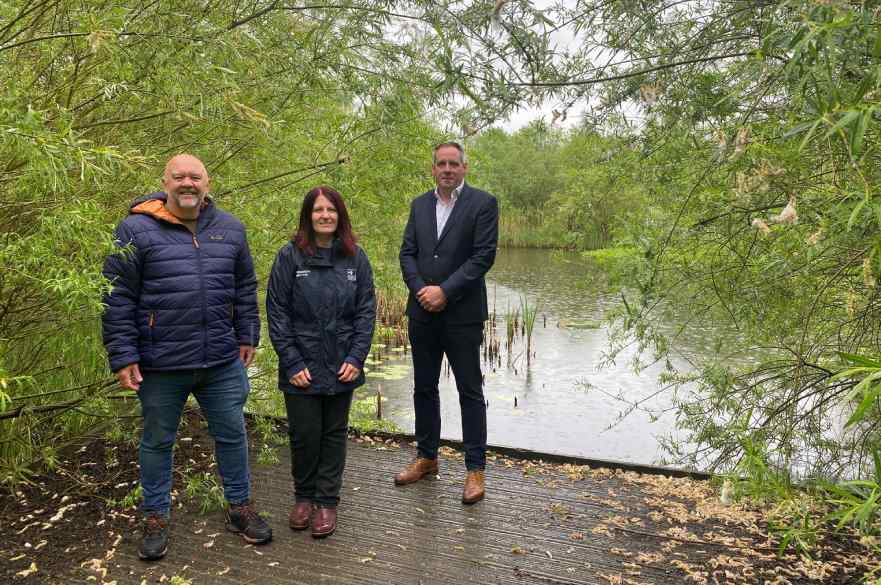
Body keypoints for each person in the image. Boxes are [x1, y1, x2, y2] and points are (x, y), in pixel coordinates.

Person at [102, 154, 272, 561]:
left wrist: (248, 334)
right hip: (160, 362)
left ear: (207, 183)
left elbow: (244, 286)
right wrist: (123, 354)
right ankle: (156, 516)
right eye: (179, 177)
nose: (187, 183)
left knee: (232, 434)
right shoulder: (135, 229)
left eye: (195, 177)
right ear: (165, 182)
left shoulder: (230, 229)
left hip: (221, 360)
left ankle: (239, 508)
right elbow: (116, 295)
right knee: (158, 441)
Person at [266, 186, 376, 538]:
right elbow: (277, 312)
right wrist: (292, 360)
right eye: (318, 210)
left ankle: (327, 502)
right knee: (303, 434)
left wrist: (357, 357)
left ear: (340, 215)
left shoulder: (356, 258)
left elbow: (366, 312)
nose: (325, 215)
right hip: (301, 364)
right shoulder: (289, 257)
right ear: (308, 216)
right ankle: (303, 497)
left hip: (342, 361)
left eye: (331, 209)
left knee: (333, 434)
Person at [396, 141, 499, 504]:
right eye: (441, 163)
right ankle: (427, 458)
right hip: (422, 312)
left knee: (469, 391)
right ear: (433, 169)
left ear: (464, 168)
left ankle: (475, 469)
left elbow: (483, 257)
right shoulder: (419, 205)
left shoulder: (483, 204)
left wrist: (445, 291)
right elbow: (407, 253)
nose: (447, 169)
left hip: (462, 314)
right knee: (424, 388)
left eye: (454, 164)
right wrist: (422, 289)